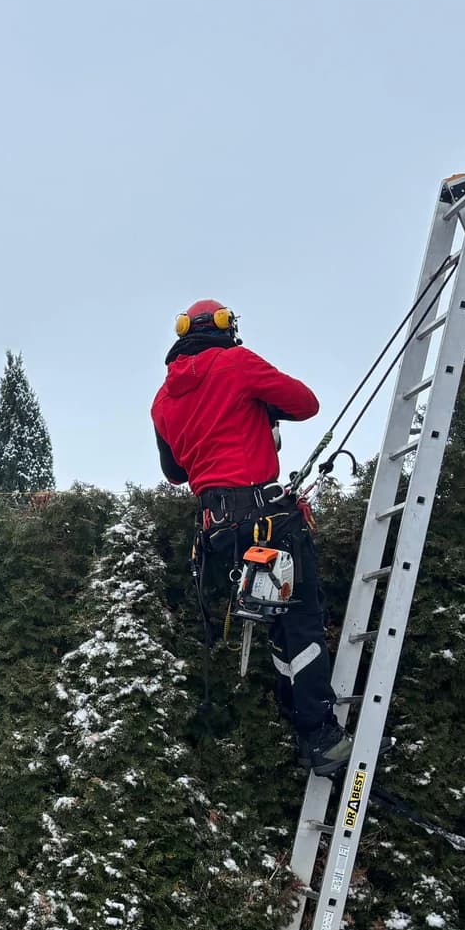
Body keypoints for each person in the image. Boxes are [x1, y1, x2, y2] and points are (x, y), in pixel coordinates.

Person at [151, 299, 353, 778]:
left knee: (281, 623)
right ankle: (320, 735)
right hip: (266, 519)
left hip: (218, 534)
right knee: (300, 622)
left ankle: (303, 727)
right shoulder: (237, 364)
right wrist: (260, 407)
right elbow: (306, 404)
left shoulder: (162, 399)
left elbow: (175, 472)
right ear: (226, 327)